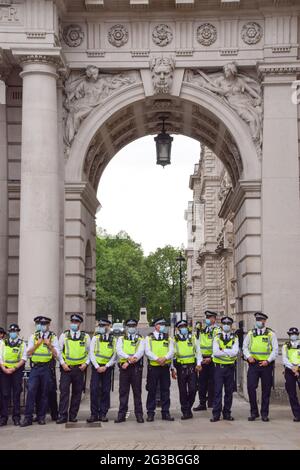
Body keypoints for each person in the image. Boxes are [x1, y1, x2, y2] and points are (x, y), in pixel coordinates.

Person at [21, 316, 59, 427]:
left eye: (45, 324)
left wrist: (49, 344)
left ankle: (41, 417)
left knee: (44, 393)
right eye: (41, 324)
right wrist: (37, 344)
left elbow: (56, 354)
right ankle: (28, 418)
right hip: (36, 368)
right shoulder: (34, 336)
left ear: (48, 325)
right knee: (31, 391)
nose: (43, 326)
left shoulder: (53, 337)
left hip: (46, 368)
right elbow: (28, 353)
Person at [243, 312, 278, 422]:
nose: (259, 322)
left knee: (266, 390)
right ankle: (254, 412)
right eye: (257, 320)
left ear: (264, 321)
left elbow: (275, 350)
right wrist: (248, 357)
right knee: (250, 387)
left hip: (266, 365)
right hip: (253, 365)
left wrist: (268, 361)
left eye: (261, 320)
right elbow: (245, 347)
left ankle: (264, 413)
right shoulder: (250, 333)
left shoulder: (271, 334)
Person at [57, 314, 90, 424]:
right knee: (64, 392)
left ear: (80, 324)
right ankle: (62, 415)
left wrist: (86, 364)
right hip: (67, 369)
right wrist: (63, 364)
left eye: (76, 322)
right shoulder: (64, 335)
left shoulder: (85, 337)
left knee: (77, 393)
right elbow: (59, 351)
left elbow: (90, 352)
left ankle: (72, 415)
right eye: (73, 322)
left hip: (79, 369)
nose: (74, 324)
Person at [115, 319, 145, 424]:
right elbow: (119, 351)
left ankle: (139, 415)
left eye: (133, 326)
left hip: (136, 368)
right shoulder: (121, 339)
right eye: (129, 326)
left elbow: (141, 351)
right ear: (126, 327)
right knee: (123, 392)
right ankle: (121, 415)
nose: (131, 328)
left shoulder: (140, 339)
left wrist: (130, 360)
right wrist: (128, 359)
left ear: (136, 326)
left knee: (137, 392)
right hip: (124, 368)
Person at [145, 318, 174, 422]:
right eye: (161, 324)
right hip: (153, 367)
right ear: (156, 325)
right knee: (152, 390)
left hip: (164, 367)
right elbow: (147, 351)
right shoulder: (149, 337)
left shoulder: (168, 337)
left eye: (164, 324)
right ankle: (150, 413)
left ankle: (165, 412)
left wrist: (165, 358)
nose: (163, 326)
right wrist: (157, 359)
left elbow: (171, 351)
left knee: (165, 390)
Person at [172, 319, 202, 420]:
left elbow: (198, 351)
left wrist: (198, 364)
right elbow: (173, 355)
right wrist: (173, 369)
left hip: (192, 367)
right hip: (181, 368)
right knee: (183, 391)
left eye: (185, 326)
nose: (184, 328)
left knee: (193, 389)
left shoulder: (192, 338)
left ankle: (188, 407)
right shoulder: (175, 339)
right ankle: (185, 411)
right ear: (178, 329)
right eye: (181, 327)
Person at [210, 316, 239, 422]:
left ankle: (227, 413)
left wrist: (223, 350)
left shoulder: (235, 337)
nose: (226, 326)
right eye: (225, 324)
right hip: (219, 368)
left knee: (229, 392)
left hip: (230, 368)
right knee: (217, 391)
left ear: (231, 326)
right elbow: (216, 353)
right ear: (222, 325)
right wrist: (228, 351)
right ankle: (216, 414)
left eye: (229, 324)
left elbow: (235, 352)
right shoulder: (217, 337)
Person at [87, 319, 116, 423]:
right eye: (101, 325)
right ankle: (94, 414)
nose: (102, 327)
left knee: (105, 391)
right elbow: (91, 353)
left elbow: (114, 355)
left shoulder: (113, 339)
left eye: (104, 325)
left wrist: (107, 366)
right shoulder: (95, 338)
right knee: (94, 390)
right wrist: (97, 366)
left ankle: (103, 413)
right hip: (96, 368)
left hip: (107, 368)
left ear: (109, 326)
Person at [0, 324, 27, 426]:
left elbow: (24, 358)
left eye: (14, 331)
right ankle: (4, 418)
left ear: (18, 332)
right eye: (11, 331)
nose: (13, 332)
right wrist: (4, 369)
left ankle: (16, 417)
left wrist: (14, 368)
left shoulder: (21, 344)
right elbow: (0, 357)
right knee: (5, 394)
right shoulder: (3, 343)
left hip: (16, 371)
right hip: (4, 370)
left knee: (16, 394)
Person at [194, 310, 220, 411]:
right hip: (203, 359)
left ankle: (212, 402)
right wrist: (200, 361)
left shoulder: (217, 330)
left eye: (209, 318)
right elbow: (198, 346)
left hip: (213, 359)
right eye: (207, 318)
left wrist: (211, 358)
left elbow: (218, 346)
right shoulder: (202, 330)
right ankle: (202, 403)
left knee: (213, 381)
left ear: (214, 319)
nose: (207, 320)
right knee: (202, 382)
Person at [282, 327, 300, 421]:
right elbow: (285, 359)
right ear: (289, 335)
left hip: (299, 368)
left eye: (295, 334)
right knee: (292, 393)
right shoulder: (286, 346)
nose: (293, 336)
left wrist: (298, 367)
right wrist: (293, 368)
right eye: (291, 334)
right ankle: (297, 414)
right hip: (290, 370)